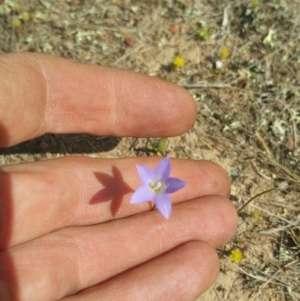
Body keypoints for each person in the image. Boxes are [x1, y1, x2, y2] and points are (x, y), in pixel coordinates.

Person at [0, 52, 237, 301]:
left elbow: (159, 188)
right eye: (156, 184)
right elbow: (149, 182)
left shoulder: (163, 189)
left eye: (158, 185)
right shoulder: (150, 182)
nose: (157, 185)